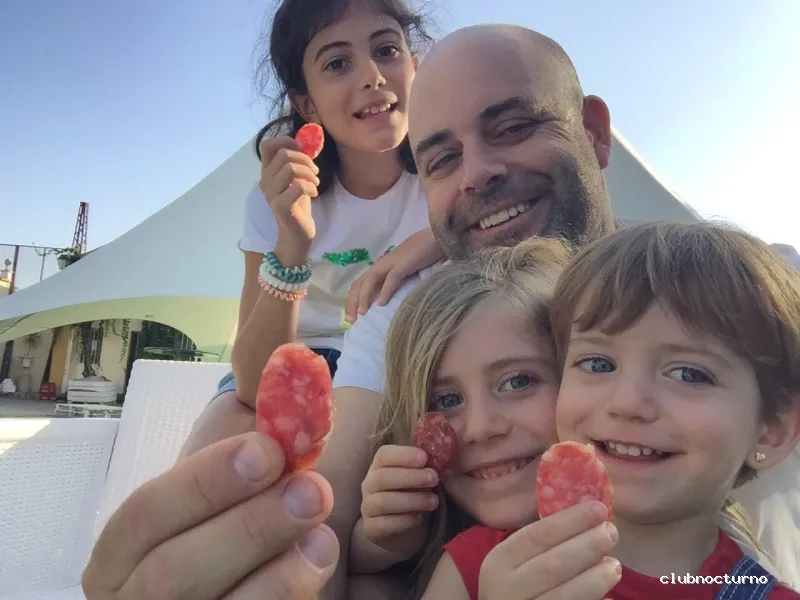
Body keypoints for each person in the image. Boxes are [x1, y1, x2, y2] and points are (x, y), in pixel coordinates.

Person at [79, 23, 795, 600]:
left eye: (512, 126)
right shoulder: (407, 314)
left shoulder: (747, 292)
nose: (479, 172)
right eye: (442, 160)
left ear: (595, 133)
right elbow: (326, 531)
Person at [360, 222, 799, 600]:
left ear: (772, 431)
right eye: (598, 364)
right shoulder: (477, 564)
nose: (626, 402)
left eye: (688, 374)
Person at [214, 0, 443, 417]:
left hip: (413, 367)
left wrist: (439, 236)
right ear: (307, 106)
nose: (372, 77)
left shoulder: (451, 175)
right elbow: (253, 384)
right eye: (338, 64)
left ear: (415, 67)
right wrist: (292, 245)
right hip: (299, 369)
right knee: (226, 435)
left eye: (386, 50)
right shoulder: (277, 197)